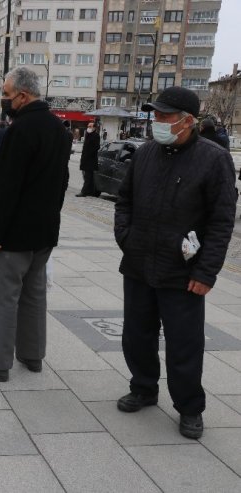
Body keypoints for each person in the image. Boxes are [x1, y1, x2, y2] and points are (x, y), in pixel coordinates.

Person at [114, 87, 236, 439]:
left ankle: (189, 407)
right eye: (156, 115)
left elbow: (221, 221)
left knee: (184, 343)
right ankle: (143, 387)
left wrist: (206, 271)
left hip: (183, 271)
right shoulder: (146, 153)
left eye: (165, 116)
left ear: (188, 121)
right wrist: (127, 237)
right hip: (139, 263)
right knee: (137, 334)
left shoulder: (214, 159)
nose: (158, 122)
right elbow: (124, 200)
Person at [0, 67, 71, 382]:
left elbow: (6, 186)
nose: (3, 99)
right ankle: (32, 355)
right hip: (44, 231)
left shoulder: (21, 128)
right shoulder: (59, 128)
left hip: (13, 232)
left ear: (23, 96)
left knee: (3, 297)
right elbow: (62, 182)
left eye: (6, 93)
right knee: (34, 294)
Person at [76, 121, 101, 197]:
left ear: (94, 128)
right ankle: (90, 191)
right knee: (88, 177)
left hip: (90, 160)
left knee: (88, 177)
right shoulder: (87, 134)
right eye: (88, 126)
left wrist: (88, 154)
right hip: (85, 159)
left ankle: (84, 192)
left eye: (90, 127)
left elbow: (96, 147)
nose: (88, 128)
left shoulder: (96, 136)